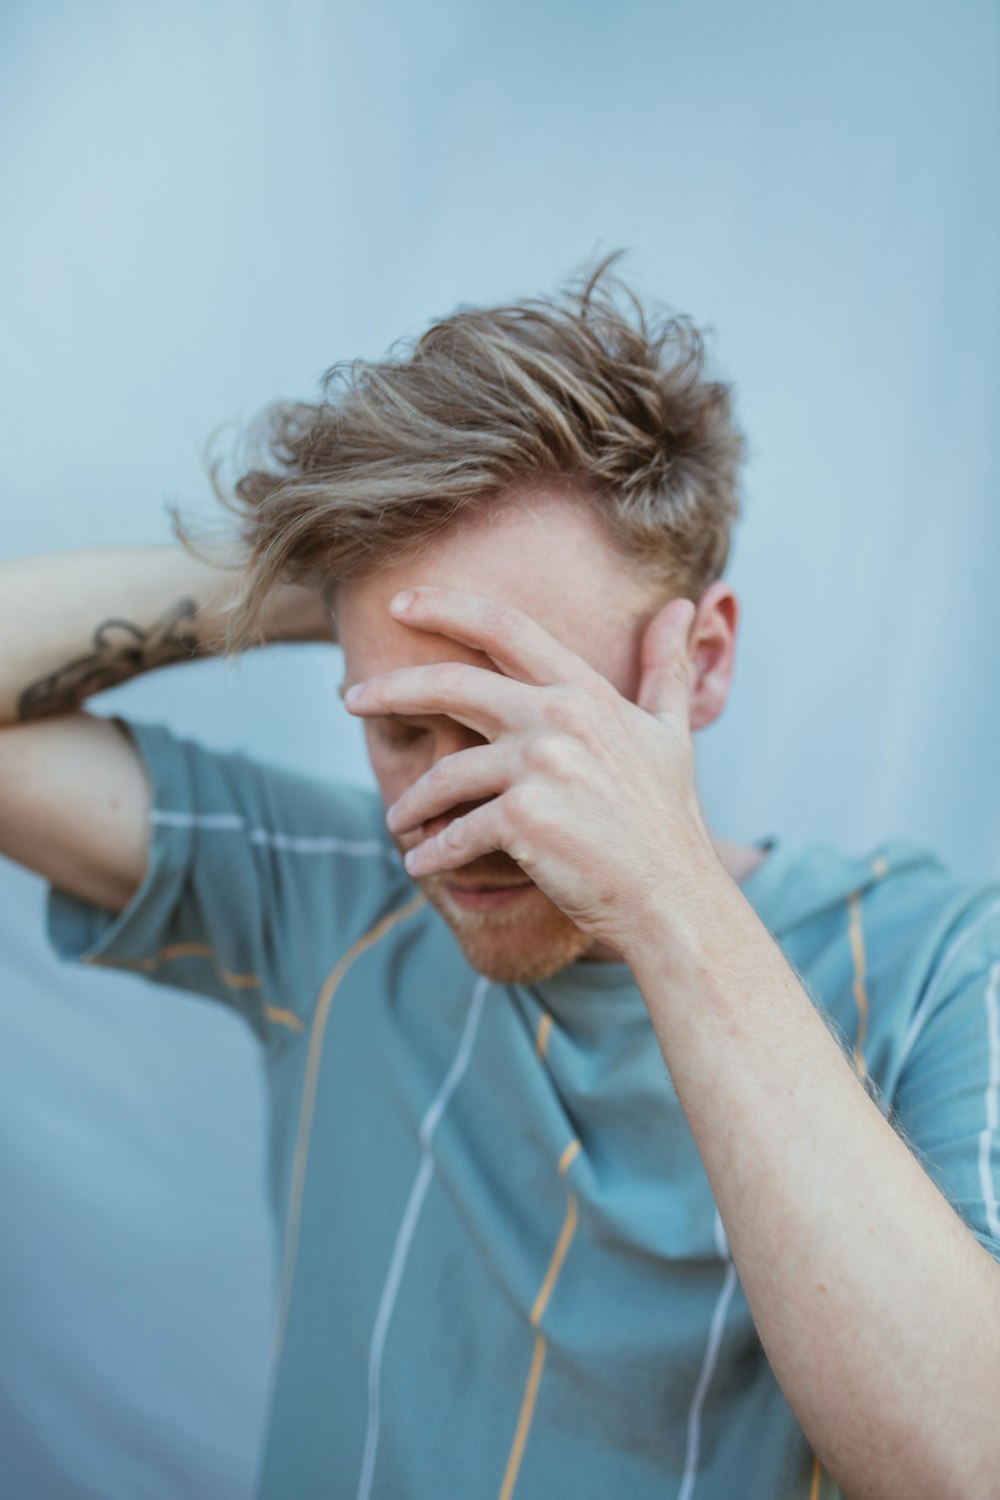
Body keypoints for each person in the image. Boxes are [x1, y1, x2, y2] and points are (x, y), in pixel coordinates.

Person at [1, 256, 998, 1500]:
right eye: (403, 728)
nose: (451, 823)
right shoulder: (329, 899)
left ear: (705, 657)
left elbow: (966, 1467)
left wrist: (668, 899)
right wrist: (319, 581)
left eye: (526, 731)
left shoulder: (940, 967)